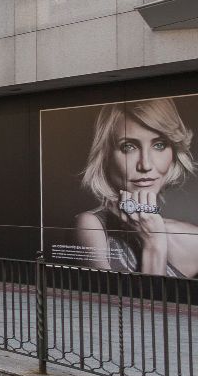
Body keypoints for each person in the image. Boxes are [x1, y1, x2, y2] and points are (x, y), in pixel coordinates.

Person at [72, 99, 198, 277]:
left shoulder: (193, 239)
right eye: (128, 146)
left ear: (174, 152)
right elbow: (116, 305)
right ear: (106, 156)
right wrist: (153, 244)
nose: (145, 165)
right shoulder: (90, 226)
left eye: (159, 145)